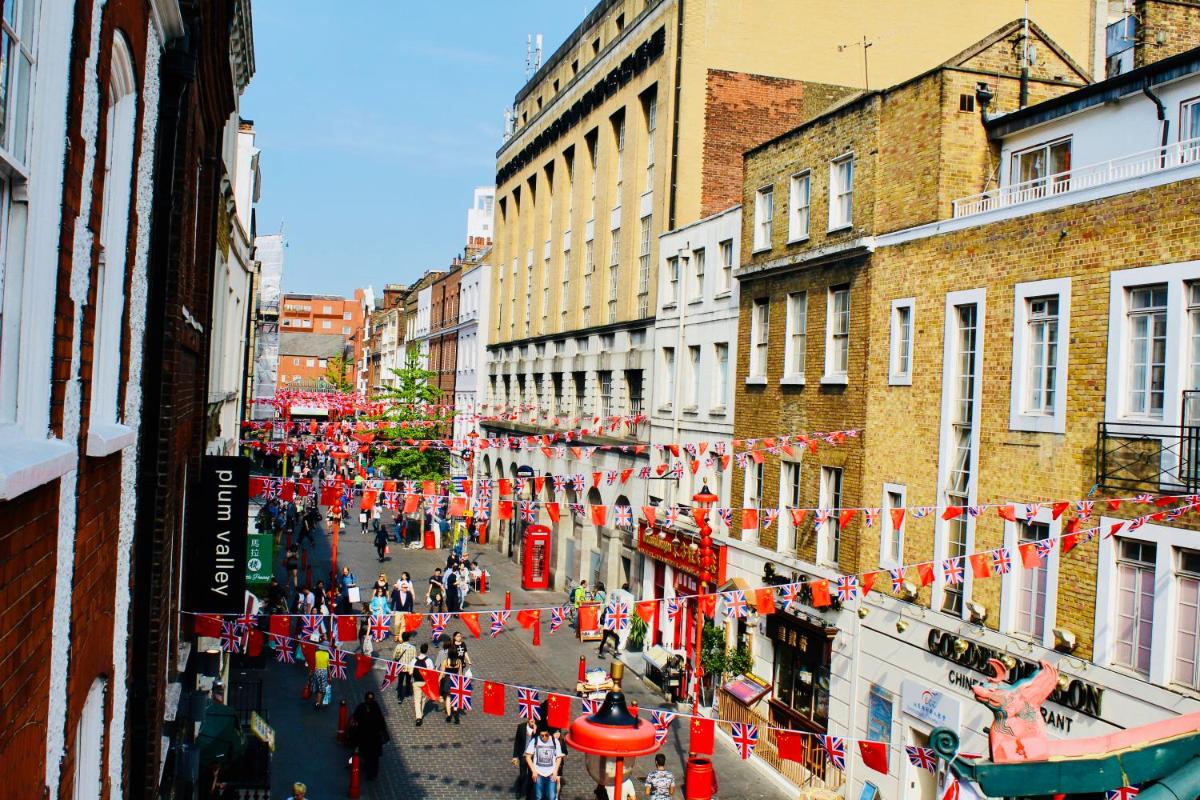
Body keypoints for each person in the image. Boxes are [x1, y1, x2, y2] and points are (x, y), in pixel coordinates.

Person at [350, 692, 389, 781]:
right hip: (373, 737)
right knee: (373, 757)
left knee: (369, 756)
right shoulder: (375, 707)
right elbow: (382, 722)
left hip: (367, 737)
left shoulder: (363, 707)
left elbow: (355, 718)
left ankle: (370, 773)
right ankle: (373, 774)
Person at [524, 725, 562, 800]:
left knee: (551, 797)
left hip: (551, 774)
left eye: (546, 735)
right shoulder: (535, 741)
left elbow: (559, 757)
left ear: (549, 734)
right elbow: (528, 756)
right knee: (538, 796)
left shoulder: (555, 741)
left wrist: (555, 771)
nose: (544, 737)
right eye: (542, 735)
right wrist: (534, 771)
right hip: (538, 774)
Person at [439, 637, 466, 723]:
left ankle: (449, 715)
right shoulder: (459, 662)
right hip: (456, 680)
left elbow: (442, 673)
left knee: (448, 697)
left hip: (447, 680)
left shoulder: (446, 661)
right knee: (455, 698)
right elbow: (460, 673)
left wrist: (438, 680)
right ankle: (456, 714)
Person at [512, 717, 539, 799]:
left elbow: (539, 741)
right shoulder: (521, 727)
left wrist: (535, 732)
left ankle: (529, 794)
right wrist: (515, 756)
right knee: (523, 774)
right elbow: (517, 742)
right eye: (530, 718)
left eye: (534, 719)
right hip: (523, 754)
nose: (532, 720)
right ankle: (520, 791)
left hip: (533, 756)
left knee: (532, 775)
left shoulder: (538, 729)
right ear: (527, 719)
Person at [411, 643, 434, 726]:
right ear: (426, 651)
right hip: (425, 682)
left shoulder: (414, 660)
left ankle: (418, 717)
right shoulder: (429, 661)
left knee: (417, 700)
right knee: (423, 699)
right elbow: (431, 672)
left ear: (420, 650)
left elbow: (410, 671)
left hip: (416, 682)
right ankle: (421, 713)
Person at [392, 631, 417, 701]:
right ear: (409, 638)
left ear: (402, 638)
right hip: (409, 668)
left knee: (400, 682)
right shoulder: (413, 648)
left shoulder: (398, 646)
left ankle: (399, 697)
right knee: (408, 680)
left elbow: (395, 657)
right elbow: (415, 658)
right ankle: (407, 692)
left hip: (401, 667)